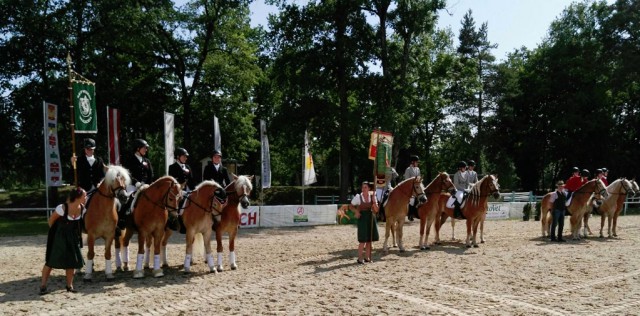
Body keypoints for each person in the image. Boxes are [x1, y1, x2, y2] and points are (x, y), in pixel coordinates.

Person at [39, 187, 87, 295]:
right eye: (84, 195)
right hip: (59, 237)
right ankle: (43, 286)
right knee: (51, 261)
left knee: (72, 261)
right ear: (78, 197)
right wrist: (57, 234)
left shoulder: (83, 209)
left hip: (73, 237)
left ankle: (69, 286)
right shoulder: (62, 208)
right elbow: (51, 221)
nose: (86, 197)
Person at [119, 139, 154, 229]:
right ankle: (121, 219)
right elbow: (127, 174)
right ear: (138, 149)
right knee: (128, 198)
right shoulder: (129, 160)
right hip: (132, 185)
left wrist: (148, 184)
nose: (146, 150)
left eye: (146, 148)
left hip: (145, 186)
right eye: (144, 148)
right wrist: (136, 183)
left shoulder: (147, 161)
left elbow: (150, 174)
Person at [349, 181, 379, 264]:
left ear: (369, 188)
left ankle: (367, 257)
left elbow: (376, 210)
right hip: (362, 219)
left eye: (365, 187)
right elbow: (350, 206)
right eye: (362, 187)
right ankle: (359, 258)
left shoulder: (373, 196)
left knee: (369, 240)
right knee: (362, 240)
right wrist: (356, 211)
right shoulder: (358, 197)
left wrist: (374, 201)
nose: (363, 189)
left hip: (370, 218)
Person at [168, 147, 194, 233]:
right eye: (184, 156)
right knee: (181, 201)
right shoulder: (172, 167)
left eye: (186, 157)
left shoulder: (188, 167)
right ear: (178, 157)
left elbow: (191, 180)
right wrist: (180, 188)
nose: (186, 158)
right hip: (177, 191)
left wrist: (195, 190)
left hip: (188, 190)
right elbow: (173, 181)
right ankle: (179, 222)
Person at [403, 155, 421, 221]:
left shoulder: (418, 169)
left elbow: (419, 178)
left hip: (417, 187)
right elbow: (406, 180)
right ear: (413, 162)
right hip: (410, 187)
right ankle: (410, 214)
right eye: (416, 162)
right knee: (412, 200)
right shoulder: (408, 170)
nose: (417, 163)